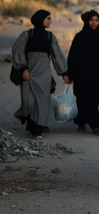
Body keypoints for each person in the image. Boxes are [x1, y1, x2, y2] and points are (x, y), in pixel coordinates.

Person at [12, 10, 68, 139]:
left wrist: (63, 72)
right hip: (29, 72)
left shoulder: (50, 37)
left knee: (42, 102)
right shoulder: (27, 35)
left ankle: (37, 130)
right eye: (48, 19)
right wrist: (24, 69)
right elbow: (18, 51)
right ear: (40, 20)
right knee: (28, 101)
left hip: (44, 73)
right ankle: (29, 122)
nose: (50, 21)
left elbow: (56, 55)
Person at [65, 10, 99, 135]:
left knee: (97, 100)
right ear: (87, 22)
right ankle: (82, 122)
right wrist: (70, 74)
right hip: (82, 74)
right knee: (82, 98)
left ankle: (97, 125)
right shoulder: (80, 37)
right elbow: (73, 57)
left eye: (96, 20)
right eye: (91, 20)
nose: (94, 23)